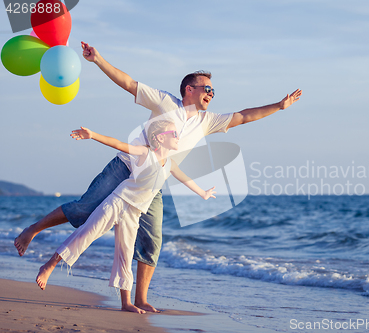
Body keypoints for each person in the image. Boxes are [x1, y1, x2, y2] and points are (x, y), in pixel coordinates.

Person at [15, 41, 302, 312]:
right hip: (126, 166)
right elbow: (128, 83)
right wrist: (98, 59)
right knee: (85, 209)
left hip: (154, 182)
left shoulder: (207, 121)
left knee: (152, 239)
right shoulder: (165, 102)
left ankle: (140, 298)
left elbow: (243, 116)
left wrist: (278, 106)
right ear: (189, 89)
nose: (211, 94)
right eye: (207, 89)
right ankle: (34, 229)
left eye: (213, 91)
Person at [36, 119, 216, 314]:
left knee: (126, 254)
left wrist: (203, 193)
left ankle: (126, 303)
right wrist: (93, 135)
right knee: (87, 234)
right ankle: (49, 265)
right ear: (159, 138)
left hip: (134, 213)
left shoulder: (170, 163)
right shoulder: (145, 153)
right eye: (173, 133)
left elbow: (185, 178)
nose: (178, 137)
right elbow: (118, 144)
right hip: (118, 202)